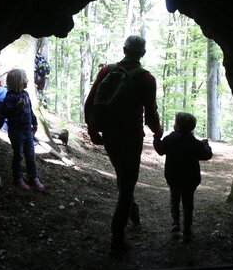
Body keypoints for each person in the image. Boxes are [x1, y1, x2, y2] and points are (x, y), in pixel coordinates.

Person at [84, 35, 163, 253]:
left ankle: (133, 211)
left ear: (124, 49)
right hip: (131, 136)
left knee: (123, 174)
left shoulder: (107, 71)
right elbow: (151, 115)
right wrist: (158, 132)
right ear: (143, 54)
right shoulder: (147, 79)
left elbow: (90, 102)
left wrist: (92, 128)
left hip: (110, 134)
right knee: (127, 184)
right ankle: (117, 240)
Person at [153, 112, 213, 243]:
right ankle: (187, 228)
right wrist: (206, 145)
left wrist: (157, 137)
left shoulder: (170, 139)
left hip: (173, 176)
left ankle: (175, 223)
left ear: (178, 126)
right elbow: (207, 155)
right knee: (188, 203)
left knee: (174, 199)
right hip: (190, 179)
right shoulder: (195, 143)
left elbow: (160, 150)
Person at [0, 68, 45, 191]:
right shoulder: (10, 96)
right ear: (17, 81)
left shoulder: (25, 94)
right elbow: (3, 112)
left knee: (30, 154)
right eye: (24, 78)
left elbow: (30, 110)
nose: (27, 80)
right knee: (18, 155)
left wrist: (34, 122)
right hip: (16, 131)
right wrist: (15, 108)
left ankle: (33, 178)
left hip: (27, 130)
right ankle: (18, 179)